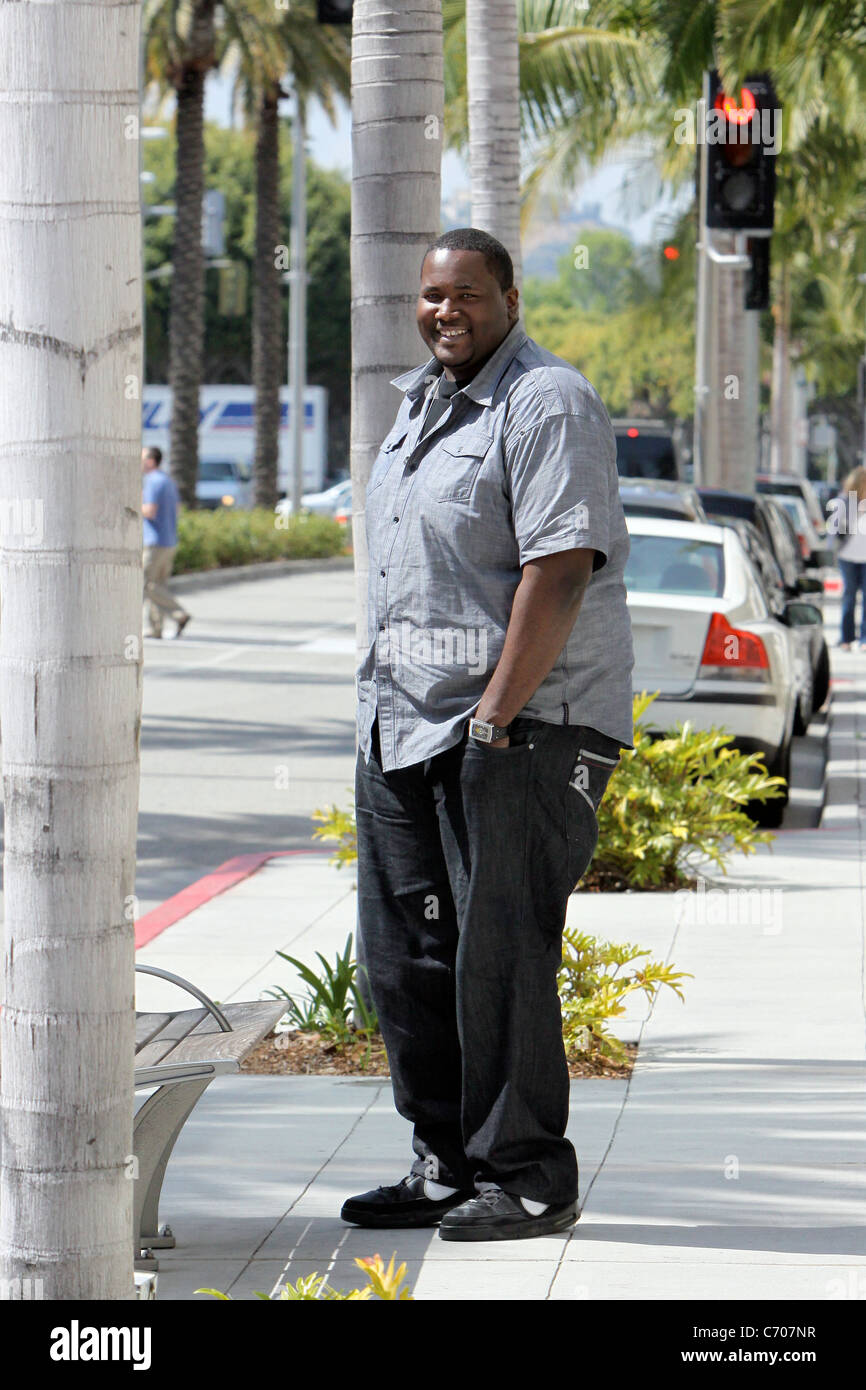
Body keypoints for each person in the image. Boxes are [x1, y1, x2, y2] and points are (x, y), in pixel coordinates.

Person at [341, 228, 634, 1242]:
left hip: (519, 730)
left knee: (498, 957)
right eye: (430, 294)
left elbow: (558, 569)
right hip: (402, 722)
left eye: (465, 292)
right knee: (405, 957)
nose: (444, 310)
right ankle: (445, 1164)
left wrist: (494, 721)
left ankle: (529, 1175)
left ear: (509, 297)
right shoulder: (417, 406)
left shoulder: (544, 400)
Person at [141, 447, 190, 639]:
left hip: (155, 542)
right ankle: (156, 628)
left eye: (142, 458)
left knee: (146, 584)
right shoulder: (168, 481)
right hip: (169, 540)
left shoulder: (152, 481)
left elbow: (150, 511)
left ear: (151, 461)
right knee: (158, 584)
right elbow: (177, 509)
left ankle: (179, 614)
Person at [835, 465, 866, 650]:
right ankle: (846, 639)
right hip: (847, 556)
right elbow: (837, 529)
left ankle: (864, 639)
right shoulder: (845, 501)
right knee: (849, 597)